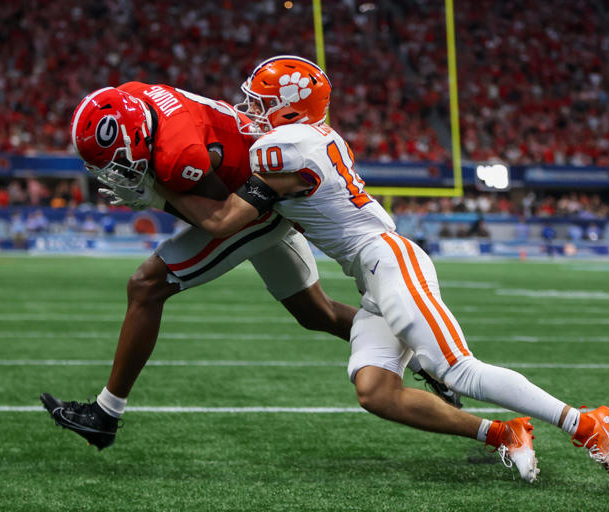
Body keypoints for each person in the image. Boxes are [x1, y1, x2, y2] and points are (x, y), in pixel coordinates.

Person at [164, 55, 609, 493]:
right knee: (376, 391)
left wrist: (160, 179)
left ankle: (587, 423)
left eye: (262, 103)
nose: (251, 111)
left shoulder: (287, 148)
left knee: (456, 369)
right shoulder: (301, 139)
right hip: (371, 276)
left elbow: (222, 218)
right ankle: (504, 433)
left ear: (290, 110)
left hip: (388, 259)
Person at [41, 82, 456, 451]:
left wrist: (155, 197)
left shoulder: (178, 153)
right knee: (316, 313)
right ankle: (424, 354)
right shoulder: (136, 101)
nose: (113, 172)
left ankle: (106, 413)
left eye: (116, 160)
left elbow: (216, 219)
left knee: (147, 285)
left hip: (251, 204)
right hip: (254, 187)